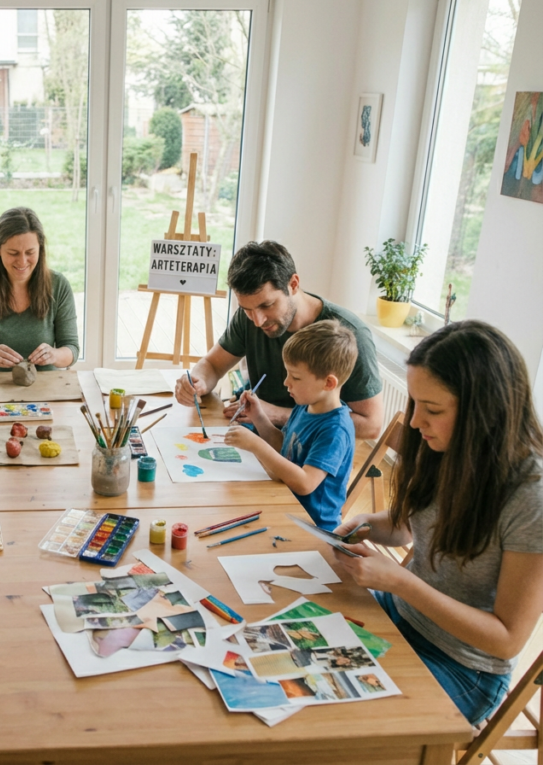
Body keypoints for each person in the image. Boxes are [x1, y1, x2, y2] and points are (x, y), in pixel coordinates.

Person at [333, 321, 543, 726]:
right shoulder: (445, 447)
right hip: (400, 615)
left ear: (484, 410)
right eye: (414, 404)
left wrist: (399, 580)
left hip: (463, 666)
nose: (414, 422)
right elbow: (411, 528)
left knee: (342, 727)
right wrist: (367, 524)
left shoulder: (530, 496)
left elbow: (506, 639)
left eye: (431, 410)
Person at [174, 240, 383, 439]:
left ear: (293, 284)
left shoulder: (349, 334)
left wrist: (276, 414)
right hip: (258, 436)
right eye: (247, 310)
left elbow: (371, 425)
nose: (257, 320)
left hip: (312, 451)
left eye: (267, 305)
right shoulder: (251, 316)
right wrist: (197, 381)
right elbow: (212, 364)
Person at [225, 320, 357, 530]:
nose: (286, 382)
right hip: (285, 505)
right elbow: (284, 447)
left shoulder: (335, 429)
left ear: (328, 383)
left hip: (313, 528)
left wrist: (256, 445)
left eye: (295, 377)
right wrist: (259, 416)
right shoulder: (306, 406)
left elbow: (305, 483)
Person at [0, 207, 79, 372]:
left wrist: (54, 355)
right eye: (13, 253)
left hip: (47, 388)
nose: (22, 262)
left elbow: (71, 348)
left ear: (40, 248)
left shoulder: (58, 285)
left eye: (30, 252)